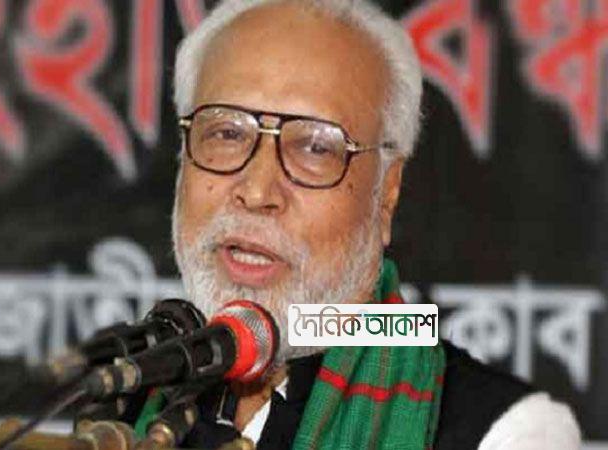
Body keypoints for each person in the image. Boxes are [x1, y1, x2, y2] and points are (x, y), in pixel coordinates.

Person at [126, 0, 581, 448]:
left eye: (315, 147)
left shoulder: (509, 433)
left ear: (386, 195)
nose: (258, 191)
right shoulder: (116, 398)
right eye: (226, 133)